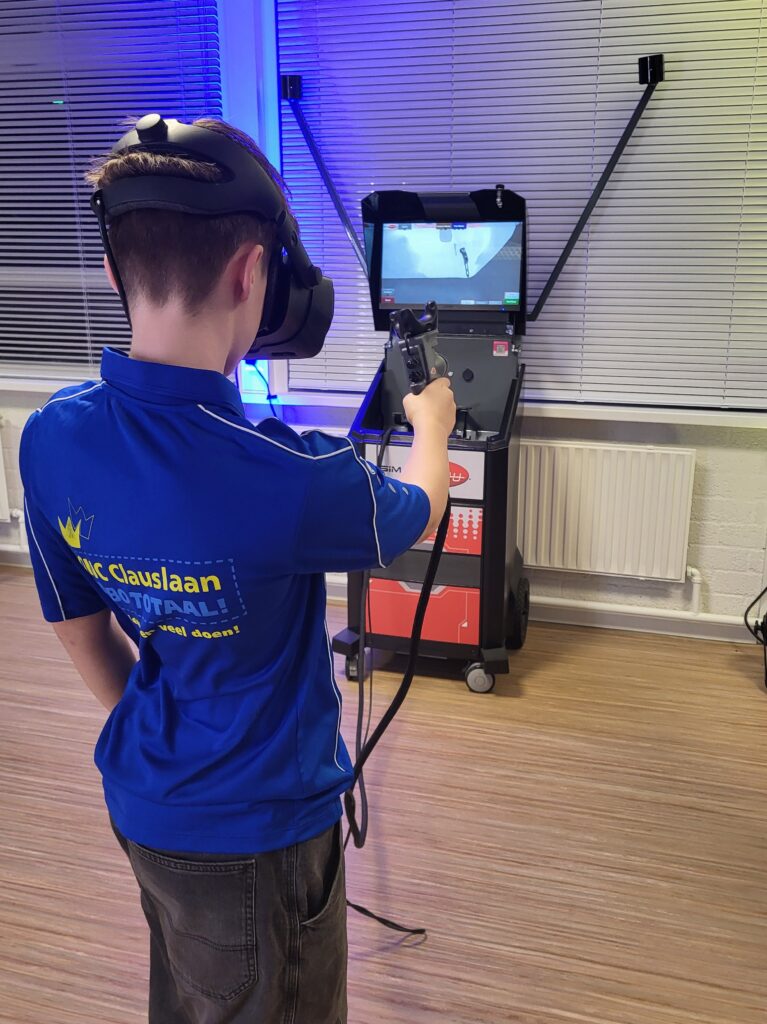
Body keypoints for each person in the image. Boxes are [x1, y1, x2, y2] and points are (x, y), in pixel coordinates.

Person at [18, 117, 456, 1024]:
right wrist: (432, 426)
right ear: (253, 273)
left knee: (190, 993)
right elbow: (414, 510)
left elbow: (77, 627)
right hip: (263, 840)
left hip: (143, 803)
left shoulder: (50, 436)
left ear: (115, 271)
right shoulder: (290, 476)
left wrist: (167, 736)